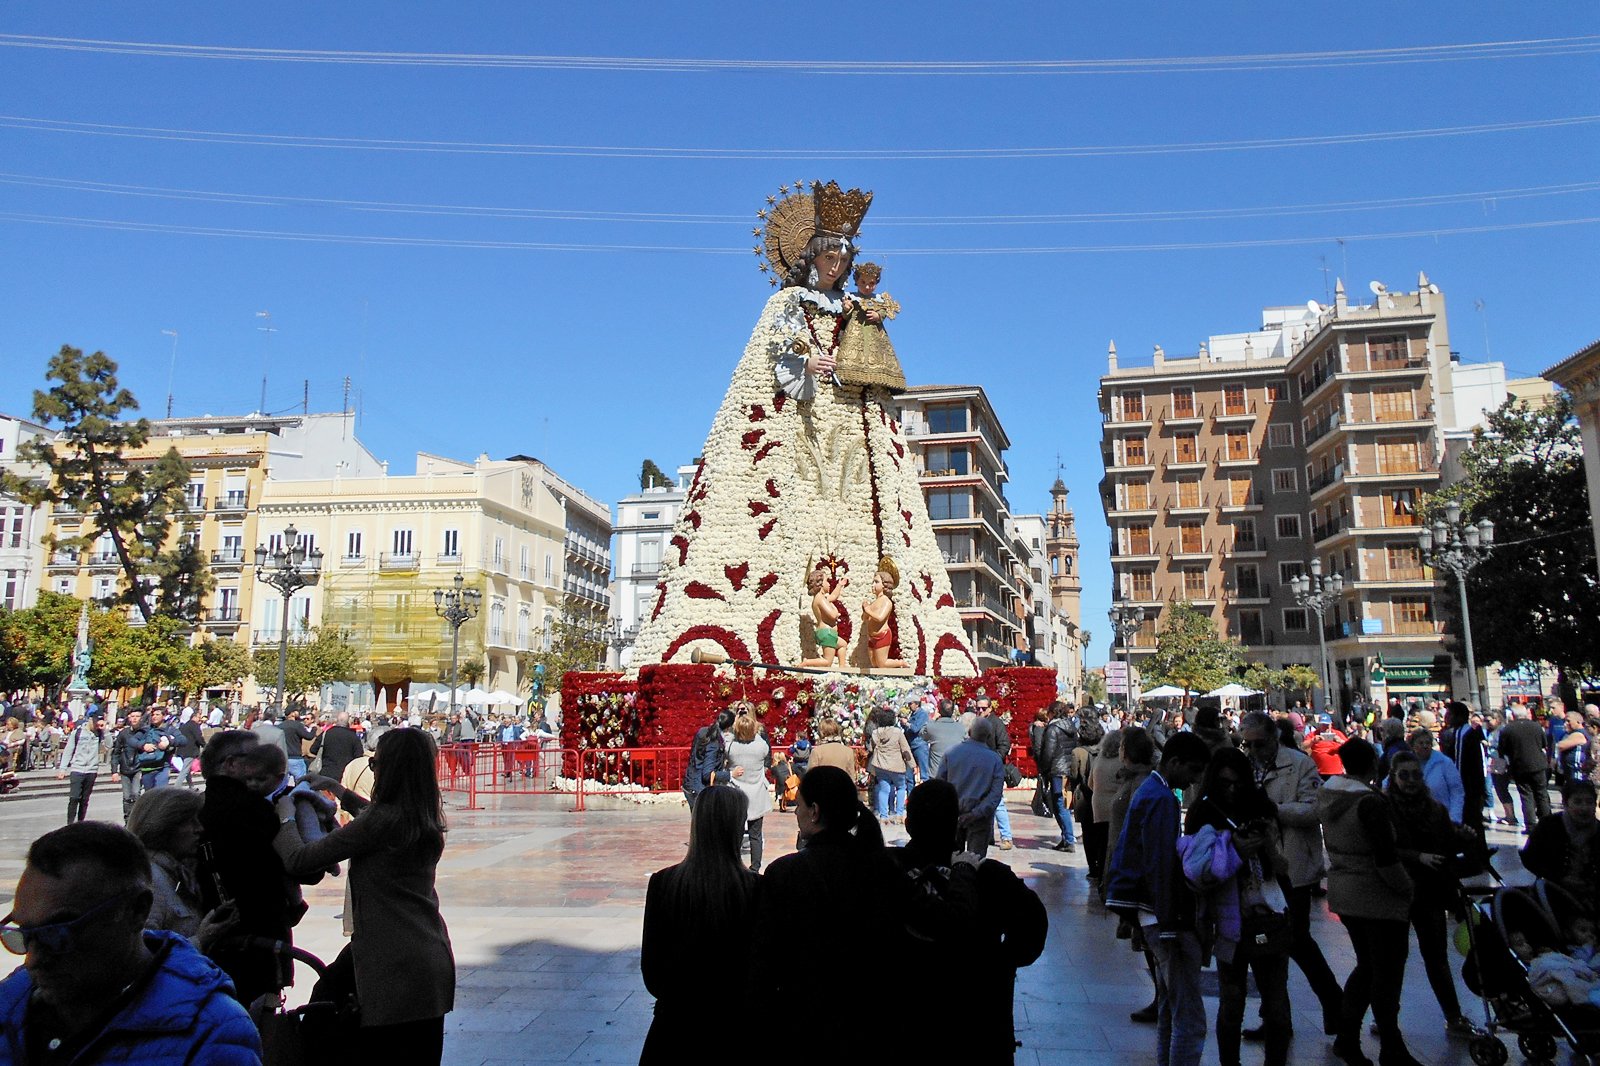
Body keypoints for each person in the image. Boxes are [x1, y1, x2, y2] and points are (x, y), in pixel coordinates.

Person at [628, 181, 972, 673]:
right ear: (812, 258)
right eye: (829, 258)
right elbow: (770, 357)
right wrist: (806, 361)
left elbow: (873, 363)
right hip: (798, 420)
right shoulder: (785, 305)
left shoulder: (855, 309)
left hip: (852, 426)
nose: (837, 267)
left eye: (843, 259)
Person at [0, 822, 262, 1063]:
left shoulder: (211, 1034)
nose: (33, 960)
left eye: (59, 934)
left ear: (137, 912)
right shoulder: (10, 1004)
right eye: (24, 935)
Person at [272, 728, 455, 1062]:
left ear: (392, 768)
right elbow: (373, 818)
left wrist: (283, 817)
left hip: (390, 955)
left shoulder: (382, 822)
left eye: (375, 763)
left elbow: (301, 859)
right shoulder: (422, 814)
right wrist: (340, 792)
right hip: (427, 951)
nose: (373, 769)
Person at [893, 780, 1048, 1063]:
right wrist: (996, 964)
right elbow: (1033, 934)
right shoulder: (992, 876)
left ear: (908, 824)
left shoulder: (884, 872)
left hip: (905, 1021)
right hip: (978, 1023)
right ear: (956, 823)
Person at [755, 765, 904, 1056]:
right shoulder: (883, 867)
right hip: (869, 1019)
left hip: (804, 1022)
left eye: (799, 805)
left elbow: (765, 961)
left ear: (815, 811)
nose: (796, 812)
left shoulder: (786, 873)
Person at [1182, 748, 1293, 1066]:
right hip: (1228, 919)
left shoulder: (1261, 808)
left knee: (1276, 1007)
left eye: (1237, 784)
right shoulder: (1203, 814)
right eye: (1224, 784)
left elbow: (1283, 868)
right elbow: (1196, 873)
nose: (1231, 790)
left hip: (1269, 915)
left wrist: (1266, 846)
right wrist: (1232, 852)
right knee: (1231, 1003)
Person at [1107, 730, 1212, 1066]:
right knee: (1189, 1018)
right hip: (1161, 917)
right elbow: (1159, 861)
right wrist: (1169, 922)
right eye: (1193, 770)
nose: (1194, 779)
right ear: (1175, 762)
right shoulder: (1163, 798)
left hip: (1150, 913)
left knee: (1170, 1006)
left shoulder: (1152, 790)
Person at [1237, 711, 1344, 1039]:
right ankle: (1275, 1015)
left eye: (1259, 744)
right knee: (1265, 940)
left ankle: (1333, 1004)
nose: (1254, 751)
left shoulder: (1299, 764)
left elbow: (1315, 810)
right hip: (1259, 866)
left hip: (1293, 864)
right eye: (1248, 744)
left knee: (1295, 939)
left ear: (1275, 738)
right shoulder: (1246, 767)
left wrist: (1274, 810)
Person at [1319, 737, 1421, 1066]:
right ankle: (1391, 1046)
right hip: (1376, 893)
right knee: (1386, 973)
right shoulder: (1370, 802)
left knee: (1366, 967)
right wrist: (1406, 888)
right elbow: (1385, 856)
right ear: (1373, 765)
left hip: (1345, 889)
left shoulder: (1331, 794)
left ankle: (1348, 1038)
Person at [640, 785, 758, 1062]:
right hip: (735, 1028)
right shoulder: (755, 889)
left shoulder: (663, 884)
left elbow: (653, 973)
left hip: (675, 1029)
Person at [195, 730, 303, 1007]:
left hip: (215, 939)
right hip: (259, 941)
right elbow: (302, 867)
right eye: (254, 757)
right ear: (231, 764)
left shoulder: (196, 808)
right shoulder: (256, 810)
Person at [1384, 750, 1480, 1036]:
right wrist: (1417, 857)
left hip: (1429, 891)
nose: (1411, 781)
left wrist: (1461, 836)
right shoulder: (1383, 807)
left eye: (1416, 775)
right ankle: (1386, 1017)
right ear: (1393, 776)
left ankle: (1453, 1016)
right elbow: (1382, 849)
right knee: (1393, 958)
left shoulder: (1434, 808)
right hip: (1398, 889)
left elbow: (1445, 844)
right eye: (1405, 775)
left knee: (1436, 956)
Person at [126, 787, 235, 953]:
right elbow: (142, 954)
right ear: (165, 825)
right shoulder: (150, 880)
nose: (199, 829)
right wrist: (201, 939)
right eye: (190, 821)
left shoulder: (174, 872)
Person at [1521, 777, 1599, 910]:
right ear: (1566, 803)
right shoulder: (1549, 826)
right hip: (1552, 894)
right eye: (1578, 802)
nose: (1584, 808)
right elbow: (1530, 858)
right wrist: (1557, 877)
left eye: (1589, 802)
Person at [937, 717, 1006, 856]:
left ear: (969, 732)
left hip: (953, 814)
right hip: (980, 817)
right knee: (975, 862)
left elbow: (939, 785)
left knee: (951, 858)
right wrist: (975, 814)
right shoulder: (994, 760)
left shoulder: (951, 753)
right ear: (988, 736)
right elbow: (995, 795)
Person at [726, 712, 772, 872]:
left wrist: (737, 723)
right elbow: (763, 743)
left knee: (736, 833)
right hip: (756, 793)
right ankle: (755, 867)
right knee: (756, 835)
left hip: (737, 794)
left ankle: (734, 865)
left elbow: (728, 739)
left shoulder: (731, 747)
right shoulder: (760, 747)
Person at [1392, 728, 1464, 823]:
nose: (1425, 746)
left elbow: (1457, 791)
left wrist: (1454, 818)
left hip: (1441, 819)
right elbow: (1389, 783)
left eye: (1428, 743)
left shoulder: (1444, 762)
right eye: (1421, 743)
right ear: (1413, 745)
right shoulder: (1404, 762)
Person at [1499, 704, 1553, 829]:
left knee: (1526, 794)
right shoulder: (1536, 726)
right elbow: (1543, 744)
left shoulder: (1507, 729)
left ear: (1512, 715)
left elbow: (1503, 750)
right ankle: (1547, 822)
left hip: (1519, 766)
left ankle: (1530, 824)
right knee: (1542, 793)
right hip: (1538, 765)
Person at [1438, 701, 1487, 835]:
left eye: (1449, 714)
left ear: (1458, 716)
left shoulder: (1462, 734)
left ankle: (1475, 850)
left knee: (1469, 820)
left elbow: (1460, 763)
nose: (1446, 717)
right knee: (1474, 820)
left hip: (1468, 786)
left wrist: (1456, 785)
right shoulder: (1467, 732)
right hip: (1474, 784)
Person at [866, 706, 914, 823]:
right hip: (897, 765)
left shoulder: (875, 733)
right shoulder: (897, 732)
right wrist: (911, 764)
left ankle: (883, 816)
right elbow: (905, 748)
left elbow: (871, 748)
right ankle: (898, 814)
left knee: (884, 789)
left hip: (881, 765)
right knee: (901, 787)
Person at [682, 707, 737, 809]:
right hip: (699, 789)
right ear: (729, 727)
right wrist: (730, 774)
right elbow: (707, 774)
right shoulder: (714, 743)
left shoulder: (702, 731)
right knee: (705, 823)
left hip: (690, 783)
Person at [55, 710, 103, 824]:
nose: (97, 724)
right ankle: (70, 823)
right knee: (74, 797)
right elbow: (69, 749)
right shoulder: (78, 732)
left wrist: (104, 731)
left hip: (91, 769)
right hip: (77, 768)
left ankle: (81, 822)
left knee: (84, 799)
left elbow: (109, 745)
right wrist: (63, 768)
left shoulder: (100, 733)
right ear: (90, 720)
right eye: (96, 721)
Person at [311, 711, 365, 785]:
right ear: (348, 722)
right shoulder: (353, 737)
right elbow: (359, 756)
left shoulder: (326, 733)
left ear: (336, 720)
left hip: (326, 771)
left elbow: (313, 749)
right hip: (344, 775)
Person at [921, 698, 966, 777]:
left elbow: (922, 734)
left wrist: (932, 718)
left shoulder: (931, 726)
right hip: (955, 773)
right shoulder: (961, 728)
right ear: (952, 712)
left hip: (937, 773)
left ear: (939, 710)